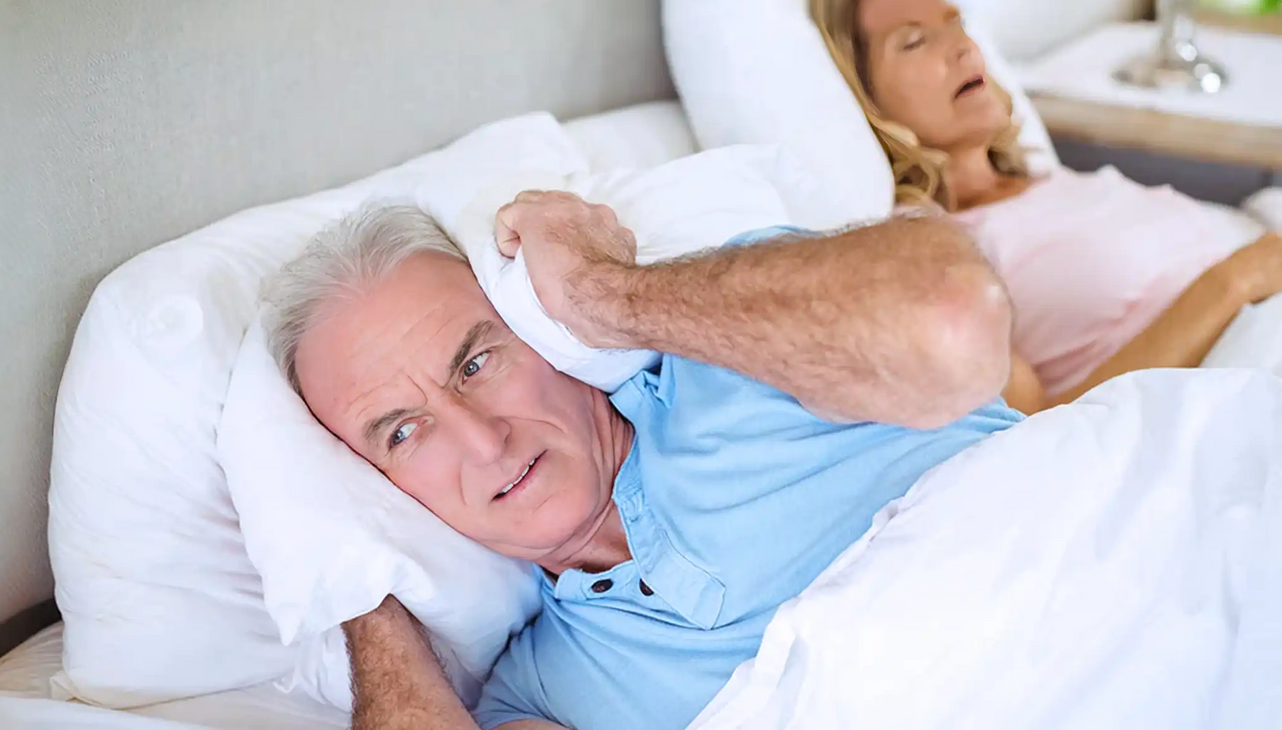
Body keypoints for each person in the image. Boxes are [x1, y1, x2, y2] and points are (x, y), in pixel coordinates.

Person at [261, 195, 1024, 729]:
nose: (482, 438)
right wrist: (360, 590)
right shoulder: (542, 694)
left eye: (476, 363)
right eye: (402, 433)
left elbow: (951, 314)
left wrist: (603, 294)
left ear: (535, 326)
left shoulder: (744, 350)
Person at [810, 0, 1282, 414]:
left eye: (956, 24)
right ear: (866, 100)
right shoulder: (933, 249)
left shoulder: (1046, 179)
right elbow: (1037, 429)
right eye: (913, 40)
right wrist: (1237, 281)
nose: (961, 47)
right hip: (1255, 387)